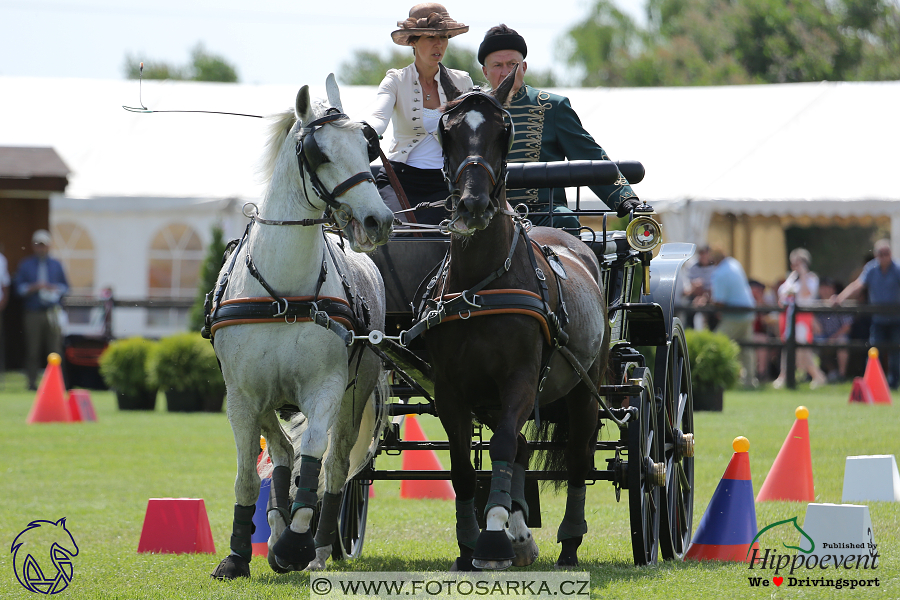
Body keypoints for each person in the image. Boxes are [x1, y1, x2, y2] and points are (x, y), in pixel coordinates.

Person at [477, 24, 642, 229]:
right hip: (488, 214)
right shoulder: (473, 113)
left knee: (567, 222)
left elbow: (587, 153)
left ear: (524, 67)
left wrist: (626, 199)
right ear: (485, 71)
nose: (506, 72)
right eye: (497, 65)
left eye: (513, 64)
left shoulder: (551, 106)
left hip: (544, 214)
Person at [366, 3, 474, 227]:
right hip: (398, 180)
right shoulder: (395, 80)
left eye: (444, 37)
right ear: (413, 42)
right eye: (429, 38)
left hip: (445, 183)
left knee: (443, 241)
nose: (439, 44)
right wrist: (364, 131)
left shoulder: (463, 82)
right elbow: (378, 119)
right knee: (396, 235)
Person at [834, 239, 900, 389]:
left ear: (891, 254)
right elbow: (857, 285)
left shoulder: (897, 269)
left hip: (896, 319)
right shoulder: (871, 268)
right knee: (874, 352)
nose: (883, 256)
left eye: (886, 253)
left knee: (896, 354)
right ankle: (872, 384)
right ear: (876, 255)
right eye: (880, 254)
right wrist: (840, 298)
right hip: (878, 320)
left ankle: (894, 384)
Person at [14, 230, 69, 390]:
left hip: (52, 312)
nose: (41, 248)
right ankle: (31, 383)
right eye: (38, 245)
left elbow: (66, 287)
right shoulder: (26, 264)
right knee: (33, 349)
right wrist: (34, 287)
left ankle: (58, 384)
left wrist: (53, 288)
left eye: (44, 245)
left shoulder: (56, 264)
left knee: (55, 350)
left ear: (49, 246)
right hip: (33, 311)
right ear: (33, 246)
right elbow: (18, 289)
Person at [773, 248, 827, 389]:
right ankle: (787, 376)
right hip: (789, 317)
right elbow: (782, 294)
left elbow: (805, 293)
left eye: (799, 263)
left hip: (803, 317)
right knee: (790, 347)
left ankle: (816, 375)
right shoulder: (790, 278)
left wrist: (803, 274)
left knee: (802, 348)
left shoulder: (812, 278)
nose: (796, 266)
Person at [707, 249, 757, 388]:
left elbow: (719, 301)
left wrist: (708, 301)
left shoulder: (719, 273)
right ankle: (750, 381)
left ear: (714, 260)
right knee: (747, 349)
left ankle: (715, 379)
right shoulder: (734, 263)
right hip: (749, 311)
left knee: (716, 345)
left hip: (734, 315)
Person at [813, 277, 851, 382]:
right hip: (821, 337)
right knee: (810, 340)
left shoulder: (840, 303)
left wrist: (833, 338)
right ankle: (814, 375)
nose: (825, 290)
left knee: (843, 340)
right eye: (822, 288)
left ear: (833, 290)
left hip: (836, 336)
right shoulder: (814, 303)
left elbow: (847, 327)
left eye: (828, 287)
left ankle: (841, 375)